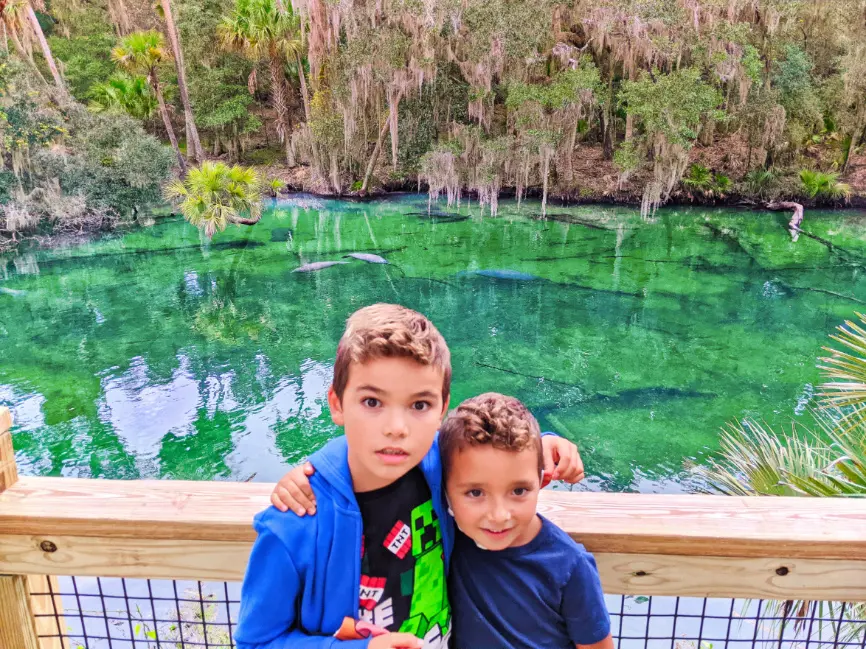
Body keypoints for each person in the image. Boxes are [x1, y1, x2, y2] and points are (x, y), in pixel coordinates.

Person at [235, 303, 582, 649]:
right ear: (337, 404)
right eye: (372, 402)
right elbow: (256, 642)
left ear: (442, 408)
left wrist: (544, 445)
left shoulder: (438, 462)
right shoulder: (295, 523)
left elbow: (487, 446)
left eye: (419, 405)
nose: (397, 429)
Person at [440, 393, 613, 649]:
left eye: (518, 491)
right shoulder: (451, 534)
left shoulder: (569, 566)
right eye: (475, 493)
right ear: (444, 490)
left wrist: (546, 441)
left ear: (542, 481)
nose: (499, 515)